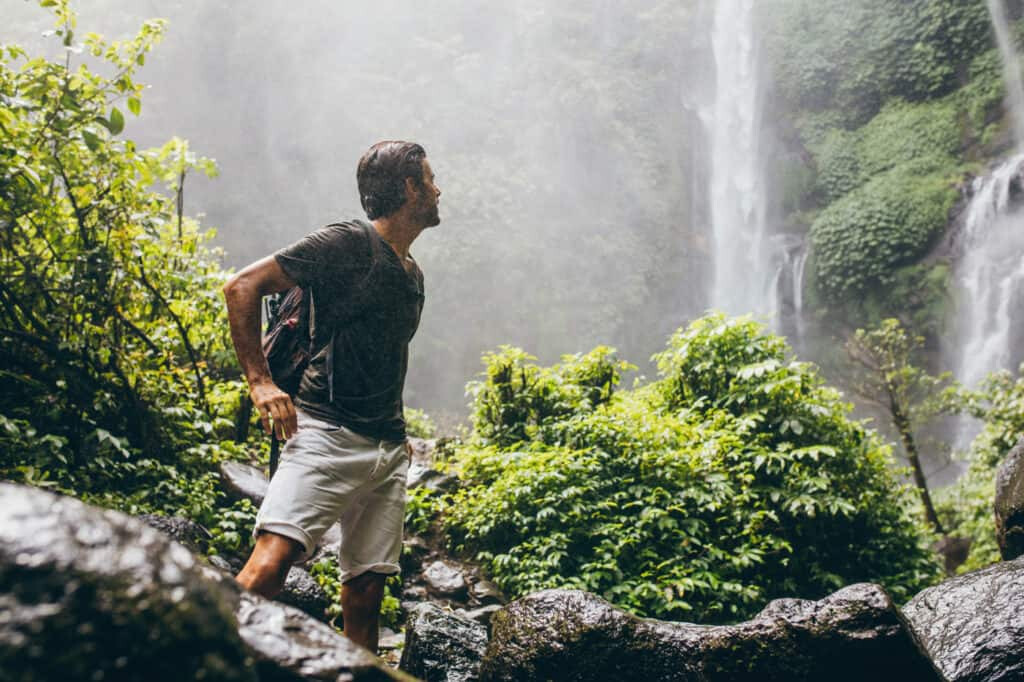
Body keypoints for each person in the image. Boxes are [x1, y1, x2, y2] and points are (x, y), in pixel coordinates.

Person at [221, 140, 440, 652]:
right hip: (325, 436)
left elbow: (384, 357)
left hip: (386, 453)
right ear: (409, 188)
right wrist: (261, 383)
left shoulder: (412, 274)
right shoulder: (348, 242)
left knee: (364, 595)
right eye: (429, 180)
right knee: (270, 567)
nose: (437, 188)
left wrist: (398, 432)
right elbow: (242, 287)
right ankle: (198, 660)